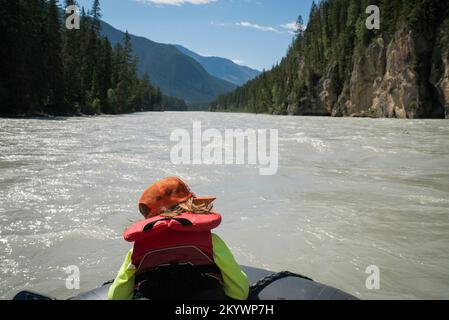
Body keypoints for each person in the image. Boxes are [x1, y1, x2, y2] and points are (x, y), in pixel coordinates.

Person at [108, 177, 250, 300]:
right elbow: (239, 292)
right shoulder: (211, 241)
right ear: (191, 206)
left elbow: (116, 296)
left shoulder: (138, 248)